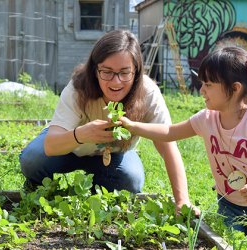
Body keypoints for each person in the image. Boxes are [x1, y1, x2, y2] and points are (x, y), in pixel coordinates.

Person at [19, 29, 193, 213]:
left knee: (131, 180)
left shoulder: (147, 93)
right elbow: (51, 146)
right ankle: (37, 188)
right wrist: (82, 134)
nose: (116, 82)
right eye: (107, 72)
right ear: (95, 70)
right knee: (33, 159)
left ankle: (98, 189)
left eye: (125, 72)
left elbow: (168, 145)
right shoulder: (78, 89)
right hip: (69, 148)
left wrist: (182, 200)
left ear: (136, 72)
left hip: (112, 156)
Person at [120, 46, 247, 237]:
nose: (201, 89)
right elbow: (169, 131)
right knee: (231, 240)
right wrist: (134, 126)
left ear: (235, 89)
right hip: (229, 204)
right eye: (202, 83)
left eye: (209, 84)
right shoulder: (206, 119)